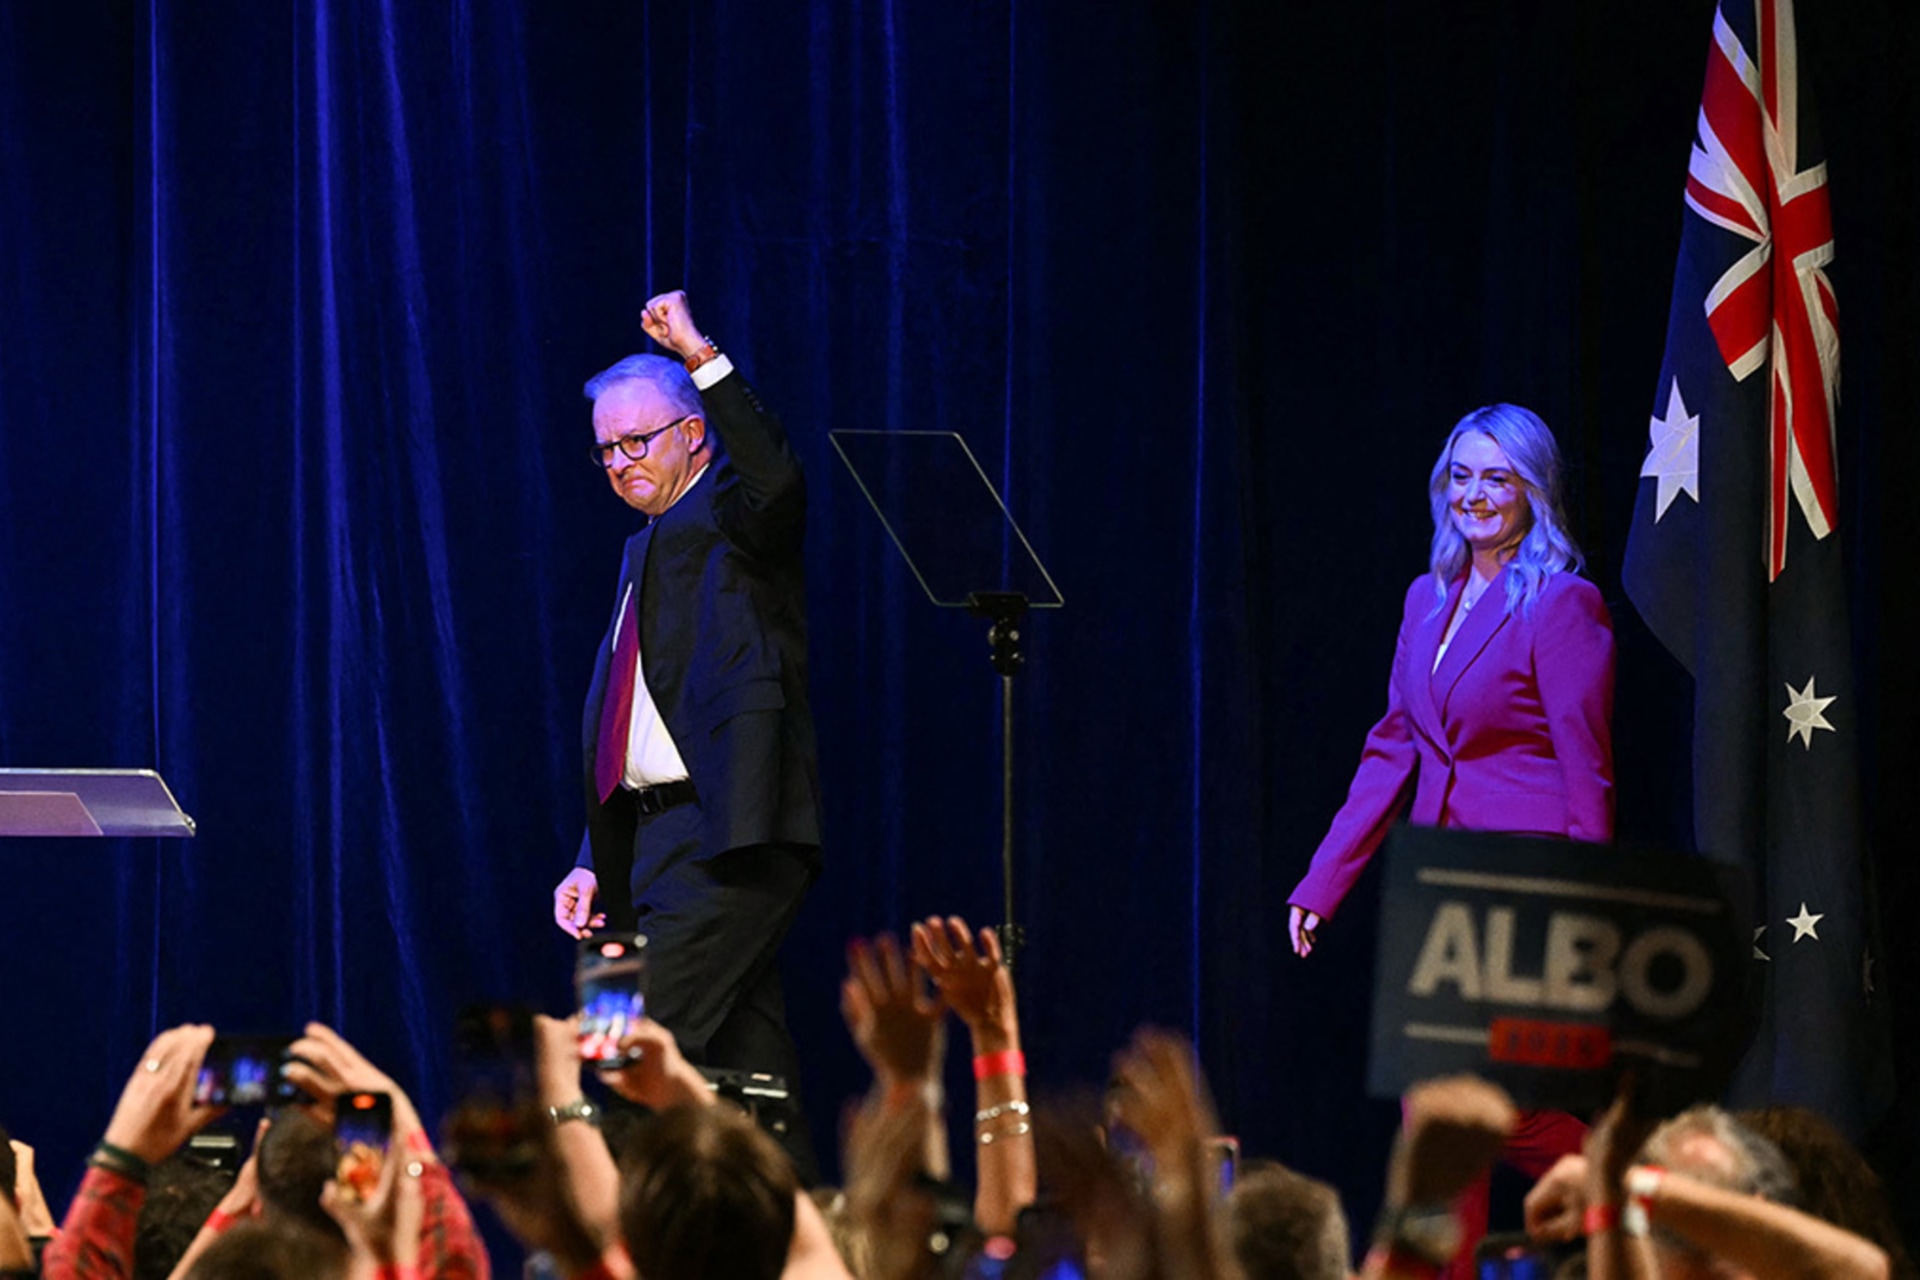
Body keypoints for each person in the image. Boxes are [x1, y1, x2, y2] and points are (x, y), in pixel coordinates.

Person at [1286, 403, 1615, 1274]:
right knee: (1440, 1101)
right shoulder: (1426, 597)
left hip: (1522, 886)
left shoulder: (1562, 603)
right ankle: (1627, 1210)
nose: (1475, 494)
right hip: (1435, 885)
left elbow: (1586, 768)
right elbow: (1394, 746)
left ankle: (1639, 1210)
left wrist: (1585, 908)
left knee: (1479, 1105)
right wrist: (1324, 881)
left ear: (1533, 491)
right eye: (1462, 476)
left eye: (1497, 478)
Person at [549, 289, 821, 1179]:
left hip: (726, 832)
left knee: (625, 1057)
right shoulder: (646, 545)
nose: (620, 463)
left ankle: (621, 1241)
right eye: (607, 450)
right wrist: (591, 856)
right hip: (654, 844)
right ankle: (805, 1230)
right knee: (749, 1082)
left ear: (694, 435)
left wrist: (700, 352)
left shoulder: (736, 517)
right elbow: (635, 721)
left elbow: (776, 478)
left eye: (638, 442)